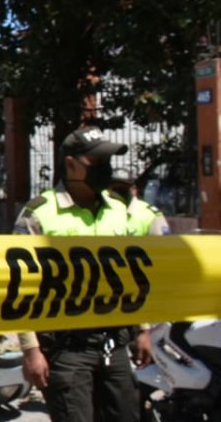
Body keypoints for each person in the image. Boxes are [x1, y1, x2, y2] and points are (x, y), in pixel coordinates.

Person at [14, 126, 152, 422]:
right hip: (67, 351)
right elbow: (21, 286)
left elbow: (130, 275)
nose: (104, 169)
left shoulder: (117, 209)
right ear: (71, 163)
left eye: (106, 162)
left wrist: (143, 330)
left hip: (113, 345)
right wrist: (31, 350)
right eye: (97, 162)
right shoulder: (39, 213)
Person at [108, 168, 171, 236]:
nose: (118, 192)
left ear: (134, 190)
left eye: (123, 188)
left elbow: (163, 243)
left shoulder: (149, 214)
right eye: (114, 188)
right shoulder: (103, 212)